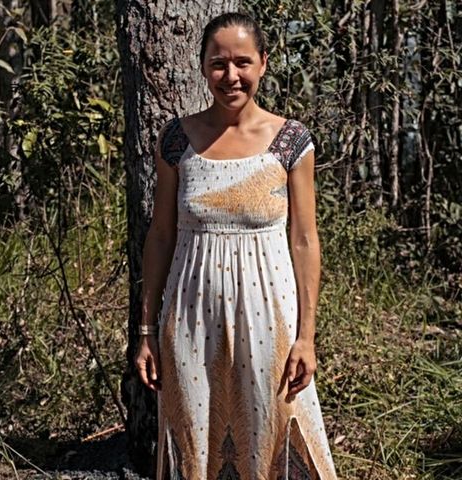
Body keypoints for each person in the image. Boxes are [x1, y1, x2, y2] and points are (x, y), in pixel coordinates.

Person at [134, 12, 337, 480]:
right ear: (203, 67)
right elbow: (160, 236)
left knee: (273, 432)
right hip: (190, 319)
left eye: (242, 62)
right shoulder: (176, 140)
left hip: (270, 319)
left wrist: (306, 337)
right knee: (194, 440)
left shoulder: (290, 141)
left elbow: (305, 239)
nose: (231, 76)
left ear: (263, 63)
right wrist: (147, 332)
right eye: (218, 63)